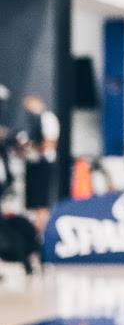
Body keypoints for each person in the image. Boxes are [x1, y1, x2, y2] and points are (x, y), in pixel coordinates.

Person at [19, 94, 60, 234]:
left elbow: (49, 144)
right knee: (34, 204)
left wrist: (32, 147)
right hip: (33, 165)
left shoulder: (47, 118)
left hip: (43, 164)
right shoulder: (32, 121)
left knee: (42, 203)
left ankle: (41, 233)